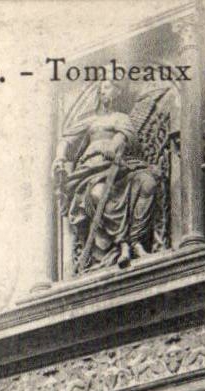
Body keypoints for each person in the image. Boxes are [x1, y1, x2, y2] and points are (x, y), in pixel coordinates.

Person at [54, 84, 169, 271]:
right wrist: (60, 158)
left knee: (147, 182)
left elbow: (125, 135)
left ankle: (136, 241)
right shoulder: (91, 121)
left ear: (118, 92)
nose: (103, 91)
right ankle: (123, 244)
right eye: (102, 88)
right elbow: (66, 140)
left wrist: (114, 145)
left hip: (119, 168)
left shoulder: (122, 118)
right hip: (92, 170)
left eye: (108, 87)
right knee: (97, 194)